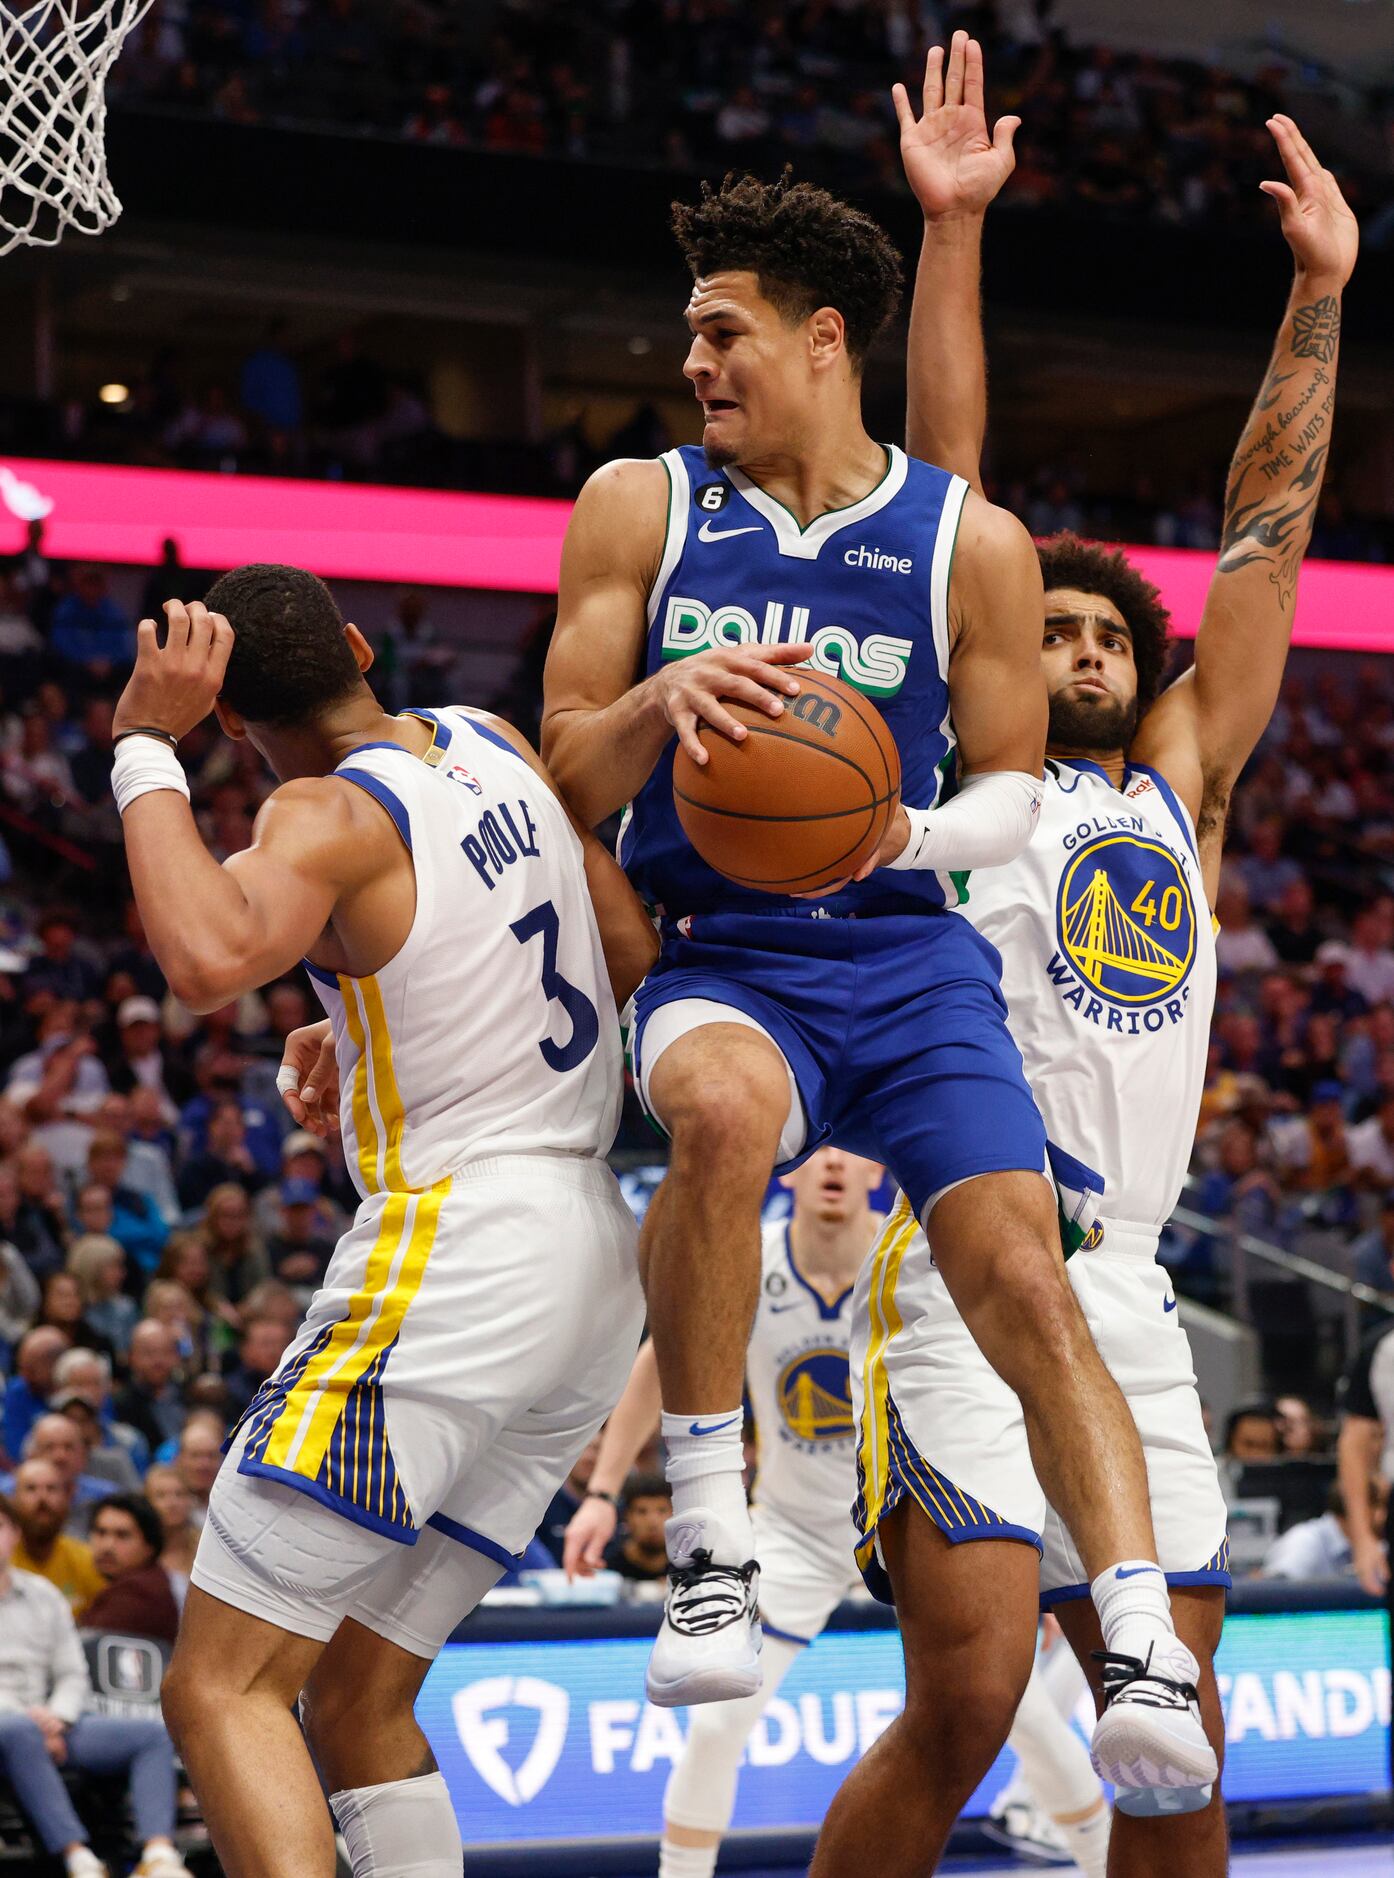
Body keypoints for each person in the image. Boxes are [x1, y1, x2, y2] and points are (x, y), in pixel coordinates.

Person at [541, 109, 1200, 1803]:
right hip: (729, 945)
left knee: (1019, 1278)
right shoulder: (639, 506)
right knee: (712, 1115)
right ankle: (704, 1535)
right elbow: (560, 765)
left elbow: (999, 790)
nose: (687, 356)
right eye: (686, 328)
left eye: (718, 327)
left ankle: (1131, 1637)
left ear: (820, 338)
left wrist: (893, 833)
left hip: (906, 954)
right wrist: (650, 704)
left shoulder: (957, 539)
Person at [816, 48, 1354, 1872]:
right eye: (1036, 628)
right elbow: (947, 479)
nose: (1074, 645)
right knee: (963, 1705)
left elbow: (1264, 536)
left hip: (1123, 1292)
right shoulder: (968, 779)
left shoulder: (1178, 785)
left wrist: (1315, 295)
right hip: (970, 1259)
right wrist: (947, 234)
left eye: (1098, 626)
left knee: (1175, 1749)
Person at [110, 568, 655, 1878]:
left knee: (220, 1687)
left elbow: (201, 956)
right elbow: (621, 944)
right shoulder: (489, 735)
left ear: (231, 723)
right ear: (359, 646)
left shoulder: (320, 810)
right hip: (591, 1264)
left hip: (457, 1259)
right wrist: (363, 1024)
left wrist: (140, 745)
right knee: (355, 1697)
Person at [564, 1147, 886, 1877]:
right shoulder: (753, 1254)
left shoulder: (907, 1254)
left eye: (852, 1150)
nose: (834, 1162)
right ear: (790, 1169)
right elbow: (658, 1363)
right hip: (792, 1535)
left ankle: (1090, 1858)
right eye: (819, 1150)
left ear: (878, 1170)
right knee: (715, 1724)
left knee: (1008, 1712)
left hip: (899, 1528)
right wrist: (605, 1493)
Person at [0, 1492, 191, 1878]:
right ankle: (78, 1857)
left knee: (150, 1735)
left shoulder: (44, 1595)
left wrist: (57, 1715)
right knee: (17, 1729)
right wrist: (30, 1718)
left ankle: (159, 1855)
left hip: (54, 1722)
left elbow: (72, 1672)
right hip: (12, 1721)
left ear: (15, 1534)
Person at [8, 1458, 105, 1613]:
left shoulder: (87, 1559)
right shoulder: (4, 1560)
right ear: (13, 1499)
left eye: (51, 1488)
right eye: (31, 1488)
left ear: (67, 1498)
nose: (42, 1497)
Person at [81, 1493, 182, 1643]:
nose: (107, 1546)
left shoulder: (138, 1593)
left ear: (150, 1545)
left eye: (122, 1535)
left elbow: (85, 1649)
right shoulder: (148, 1581)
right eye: (101, 1532)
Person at [1262, 1480, 1375, 1580]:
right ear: (1352, 1509)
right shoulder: (1305, 1541)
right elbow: (1272, 1591)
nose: (1385, 1516)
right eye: (1378, 1506)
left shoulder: (1379, 1543)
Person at [112, 1321, 185, 1454]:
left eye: (166, 1352)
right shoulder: (121, 1404)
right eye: (149, 1353)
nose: (158, 1360)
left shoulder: (190, 1395)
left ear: (177, 1356)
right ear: (131, 1357)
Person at [604, 1473, 672, 1582]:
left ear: (674, 1514)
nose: (652, 1522)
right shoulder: (608, 1569)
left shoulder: (687, 1568)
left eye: (662, 1511)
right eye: (642, 1511)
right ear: (627, 1516)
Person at [143, 1464, 200, 1578]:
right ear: (147, 1502)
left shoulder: (204, 1547)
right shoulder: (137, 1550)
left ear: (190, 1500)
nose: (172, 1503)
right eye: (161, 1495)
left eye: (179, 1494)